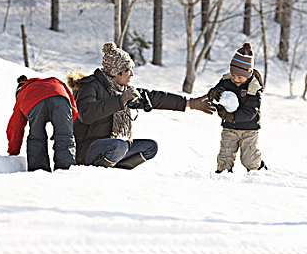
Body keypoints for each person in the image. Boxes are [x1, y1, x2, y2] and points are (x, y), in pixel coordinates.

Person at [66, 41, 215, 170]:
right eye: (128, 70)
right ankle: (98, 172)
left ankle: (114, 169)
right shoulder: (90, 86)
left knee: (150, 147)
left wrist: (191, 103)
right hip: (87, 149)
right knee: (120, 146)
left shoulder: (121, 88)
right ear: (116, 73)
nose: (132, 74)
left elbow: (154, 98)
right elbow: (86, 114)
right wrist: (120, 100)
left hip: (109, 147)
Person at [207, 42, 267, 173]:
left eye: (240, 77)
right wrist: (213, 94)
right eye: (233, 75)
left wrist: (232, 116)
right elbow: (216, 96)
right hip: (229, 128)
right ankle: (223, 175)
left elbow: (251, 112)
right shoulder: (227, 81)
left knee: (249, 159)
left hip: (249, 129)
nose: (236, 79)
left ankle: (258, 170)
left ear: (249, 73)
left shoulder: (253, 88)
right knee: (225, 155)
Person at [6, 75, 78, 172]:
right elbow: (73, 109)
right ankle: (67, 171)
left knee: (36, 138)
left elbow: (15, 126)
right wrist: (64, 126)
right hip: (60, 95)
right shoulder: (54, 81)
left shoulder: (23, 92)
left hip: (34, 102)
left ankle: (39, 172)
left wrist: (13, 151)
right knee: (64, 137)